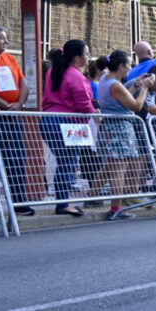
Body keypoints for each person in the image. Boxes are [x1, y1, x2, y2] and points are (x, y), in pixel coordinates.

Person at [0, 25, 35, 216]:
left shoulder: (10, 58)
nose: (6, 42)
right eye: (2, 39)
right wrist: (4, 104)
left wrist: (19, 103)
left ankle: (19, 200)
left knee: (16, 157)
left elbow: (22, 82)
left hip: (13, 115)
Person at [40, 40, 93, 217]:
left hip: (48, 120)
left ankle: (63, 201)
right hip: (69, 122)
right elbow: (84, 105)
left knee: (63, 162)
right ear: (77, 58)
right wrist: (95, 111)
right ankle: (63, 202)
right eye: (86, 54)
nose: (89, 57)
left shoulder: (53, 72)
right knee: (67, 163)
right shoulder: (76, 76)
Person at [94, 50, 149, 221]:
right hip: (120, 129)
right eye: (128, 65)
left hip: (110, 127)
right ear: (121, 66)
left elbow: (121, 95)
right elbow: (136, 105)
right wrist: (144, 88)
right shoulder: (115, 85)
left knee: (110, 165)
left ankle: (91, 196)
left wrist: (137, 84)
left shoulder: (105, 79)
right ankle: (115, 208)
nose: (130, 69)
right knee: (119, 169)